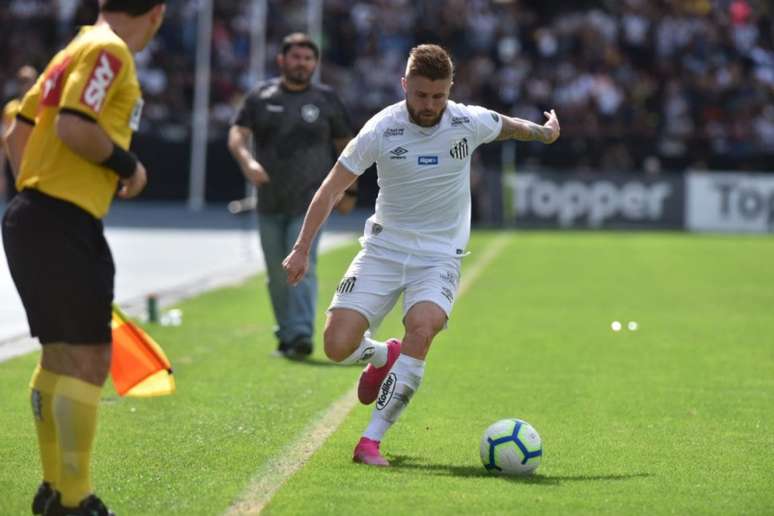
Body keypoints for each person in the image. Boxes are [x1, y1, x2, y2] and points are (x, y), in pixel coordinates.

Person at [282, 44, 560, 466]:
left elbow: (510, 126)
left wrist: (545, 131)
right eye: (420, 95)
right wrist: (301, 248)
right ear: (404, 86)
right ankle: (382, 354)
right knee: (337, 346)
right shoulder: (380, 129)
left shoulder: (468, 120)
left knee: (423, 326)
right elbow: (331, 188)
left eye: (438, 96)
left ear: (450, 89)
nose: (429, 105)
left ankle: (370, 440)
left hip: (439, 256)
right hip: (383, 249)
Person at [1, 1, 166, 514]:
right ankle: (75, 500)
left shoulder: (71, 49)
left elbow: (15, 134)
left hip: (32, 214)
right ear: (156, 13)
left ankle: (54, 492)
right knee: (90, 358)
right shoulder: (109, 50)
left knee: (59, 355)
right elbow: (76, 125)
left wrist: (36, 186)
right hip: (60, 220)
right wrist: (127, 166)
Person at [228, 32, 356, 359]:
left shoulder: (327, 99)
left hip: (310, 200)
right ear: (282, 60)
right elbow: (237, 135)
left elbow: (348, 147)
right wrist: (248, 162)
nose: (302, 63)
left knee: (302, 265)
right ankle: (286, 334)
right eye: (296, 57)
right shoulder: (261, 96)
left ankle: (300, 334)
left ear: (315, 63)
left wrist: (348, 190)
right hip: (269, 200)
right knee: (275, 273)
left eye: (308, 58)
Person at [1, 65, 38, 201]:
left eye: (28, 80)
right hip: (13, 163)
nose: (26, 84)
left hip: (35, 164)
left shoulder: (43, 106)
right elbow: (4, 139)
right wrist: (1, 172)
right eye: (22, 81)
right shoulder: (10, 108)